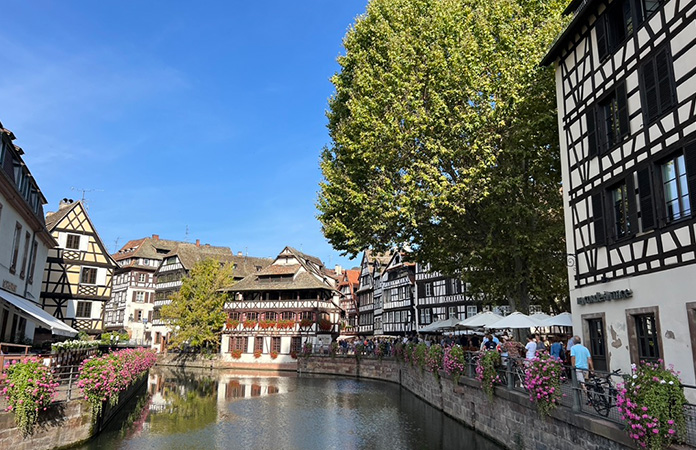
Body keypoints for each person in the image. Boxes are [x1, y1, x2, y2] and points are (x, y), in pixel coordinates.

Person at [570, 335, 594, 400]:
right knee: (584, 383)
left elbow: (573, 357)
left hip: (578, 368)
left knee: (582, 384)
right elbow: (589, 359)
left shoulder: (573, 348)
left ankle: (590, 398)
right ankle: (580, 396)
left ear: (573, 342)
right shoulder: (585, 348)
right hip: (585, 368)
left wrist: (573, 366)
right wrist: (592, 368)